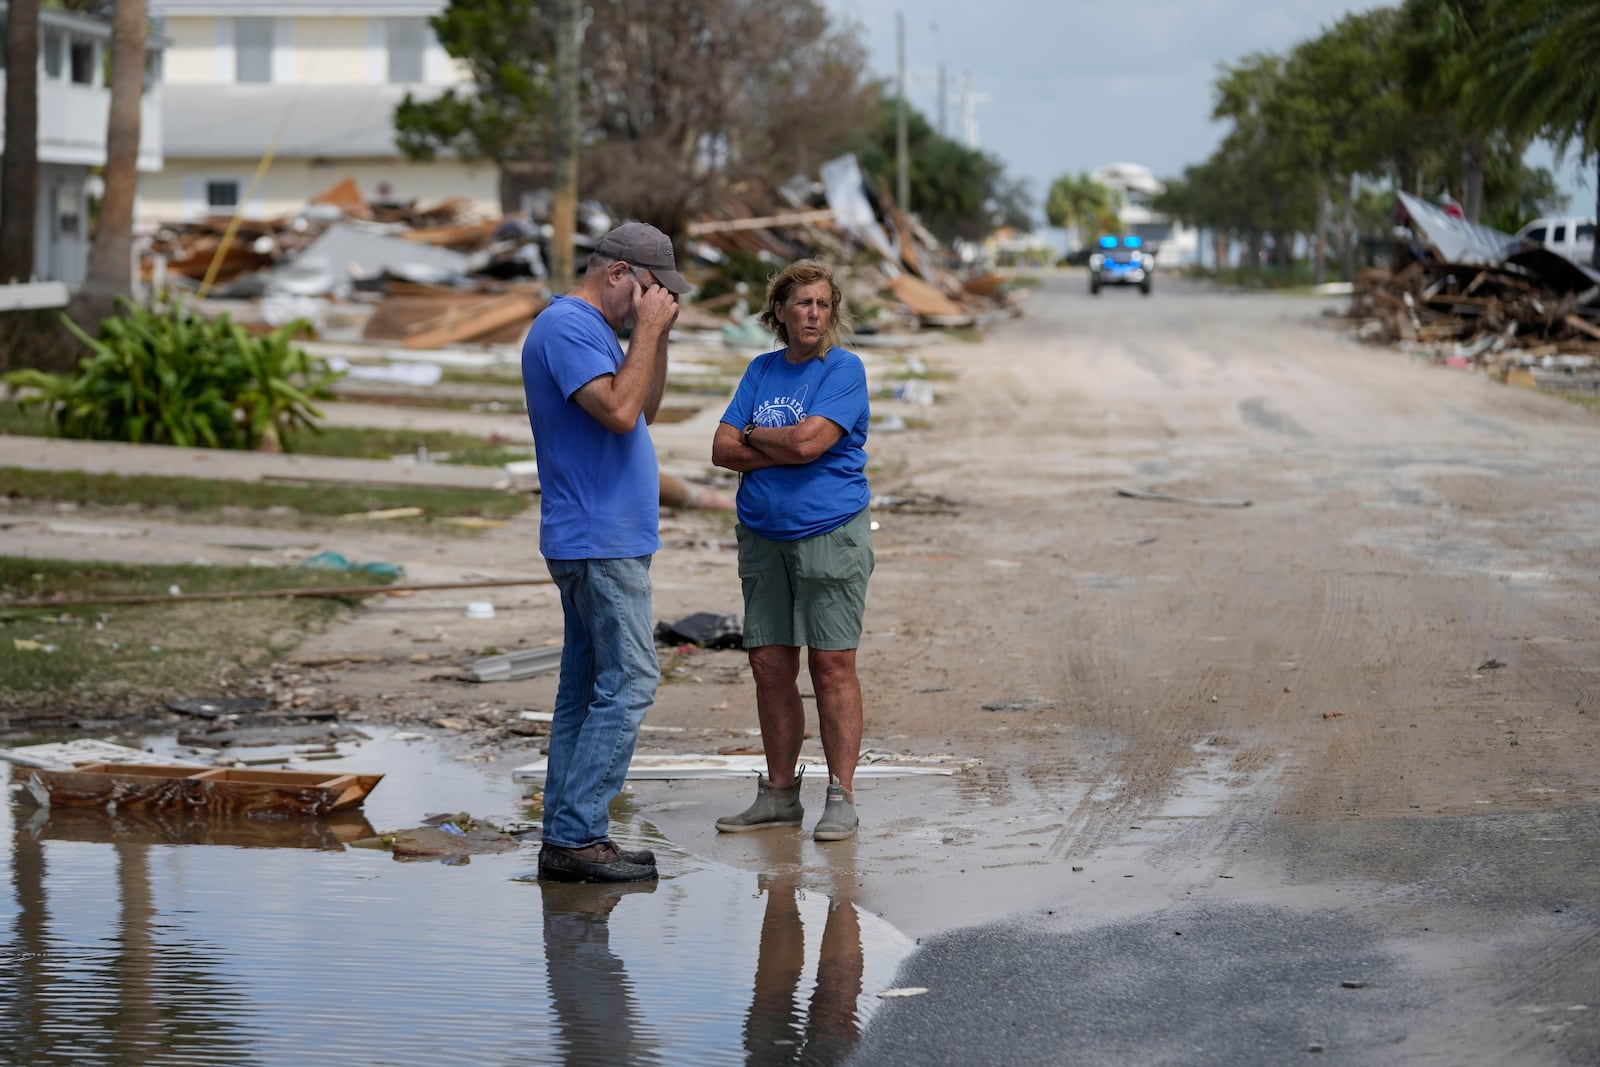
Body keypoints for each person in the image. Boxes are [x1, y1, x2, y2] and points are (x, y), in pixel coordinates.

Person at [522, 221, 691, 882]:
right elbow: (618, 413)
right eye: (651, 291)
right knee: (632, 679)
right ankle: (578, 833)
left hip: (611, 537)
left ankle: (569, 831)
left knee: (587, 688)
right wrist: (646, 333)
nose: (654, 303)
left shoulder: (601, 333)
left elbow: (643, 407)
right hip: (596, 540)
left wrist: (659, 336)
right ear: (617, 273)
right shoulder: (565, 327)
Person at [711, 259, 873, 842]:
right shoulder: (761, 370)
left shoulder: (844, 370)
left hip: (830, 533)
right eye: (802, 303)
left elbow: (809, 443)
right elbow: (720, 448)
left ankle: (841, 796)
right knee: (770, 666)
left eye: (823, 305)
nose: (813, 313)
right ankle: (780, 795)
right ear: (778, 311)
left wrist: (756, 436)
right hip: (762, 535)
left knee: (831, 665)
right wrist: (770, 444)